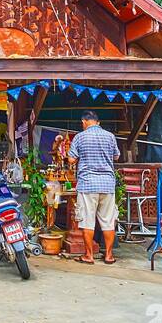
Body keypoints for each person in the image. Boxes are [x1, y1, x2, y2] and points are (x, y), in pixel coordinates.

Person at [68, 110, 120, 264]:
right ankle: (109, 256)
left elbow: (71, 160)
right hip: (107, 184)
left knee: (87, 221)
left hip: (87, 184)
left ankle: (89, 255)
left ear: (84, 122)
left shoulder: (79, 137)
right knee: (108, 221)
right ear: (98, 123)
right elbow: (116, 156)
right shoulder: (110, 136)